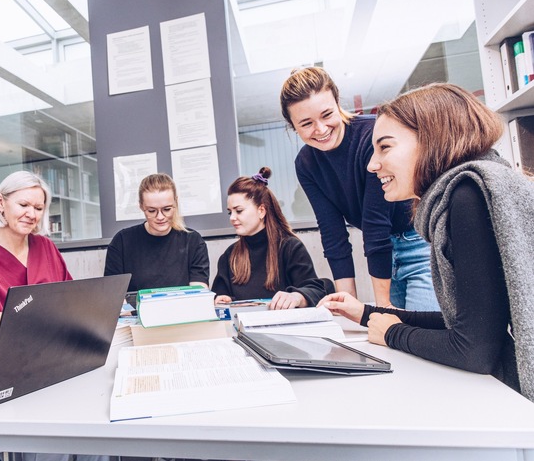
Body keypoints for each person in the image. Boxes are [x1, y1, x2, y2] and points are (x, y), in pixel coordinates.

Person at [320, 83, 534, 401]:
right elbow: (467, 324)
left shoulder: (467, 196)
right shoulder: (472, 190)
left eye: (385, 147)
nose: (371, 164)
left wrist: (392, 334)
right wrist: (366, 313)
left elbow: (474, 351)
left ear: (432, 139)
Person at [280, 66, 438, 311]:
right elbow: (332, 233)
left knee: (420, 333)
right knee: (396, 341)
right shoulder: (306, 164)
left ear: (338, 103)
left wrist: (382, 306)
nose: (320, 129)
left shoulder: (372, 137)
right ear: (292, 126)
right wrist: (347, 302)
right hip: (386, 257)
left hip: (418, 242)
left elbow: (375, 222)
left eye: (327, 114)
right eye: (306, 123)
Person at [0, 171, 72, 343]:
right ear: (1, 202)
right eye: (23, 205)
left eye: (38, 208)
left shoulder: (46, 247)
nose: (32, 215)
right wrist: (44, 326)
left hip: (52, 346)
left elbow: (70, 298)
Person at [212, 167, 327, 310]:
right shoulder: (230, 255)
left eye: (239, 211)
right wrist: (221, 299)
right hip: (243, 329)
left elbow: (316, 291)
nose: (232, 218)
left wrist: (297, 297)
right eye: (230, 212)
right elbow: (219, 295)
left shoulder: (290, 247)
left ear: (261, 211)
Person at [104, 173, 210, 292]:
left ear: (176, 202)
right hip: (137, 311)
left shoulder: (193, 241)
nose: (160, 217)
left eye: (167, 209)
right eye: (151, 211)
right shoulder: (122, 241)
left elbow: (198, 292)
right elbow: (113, 293)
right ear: (141, 206)